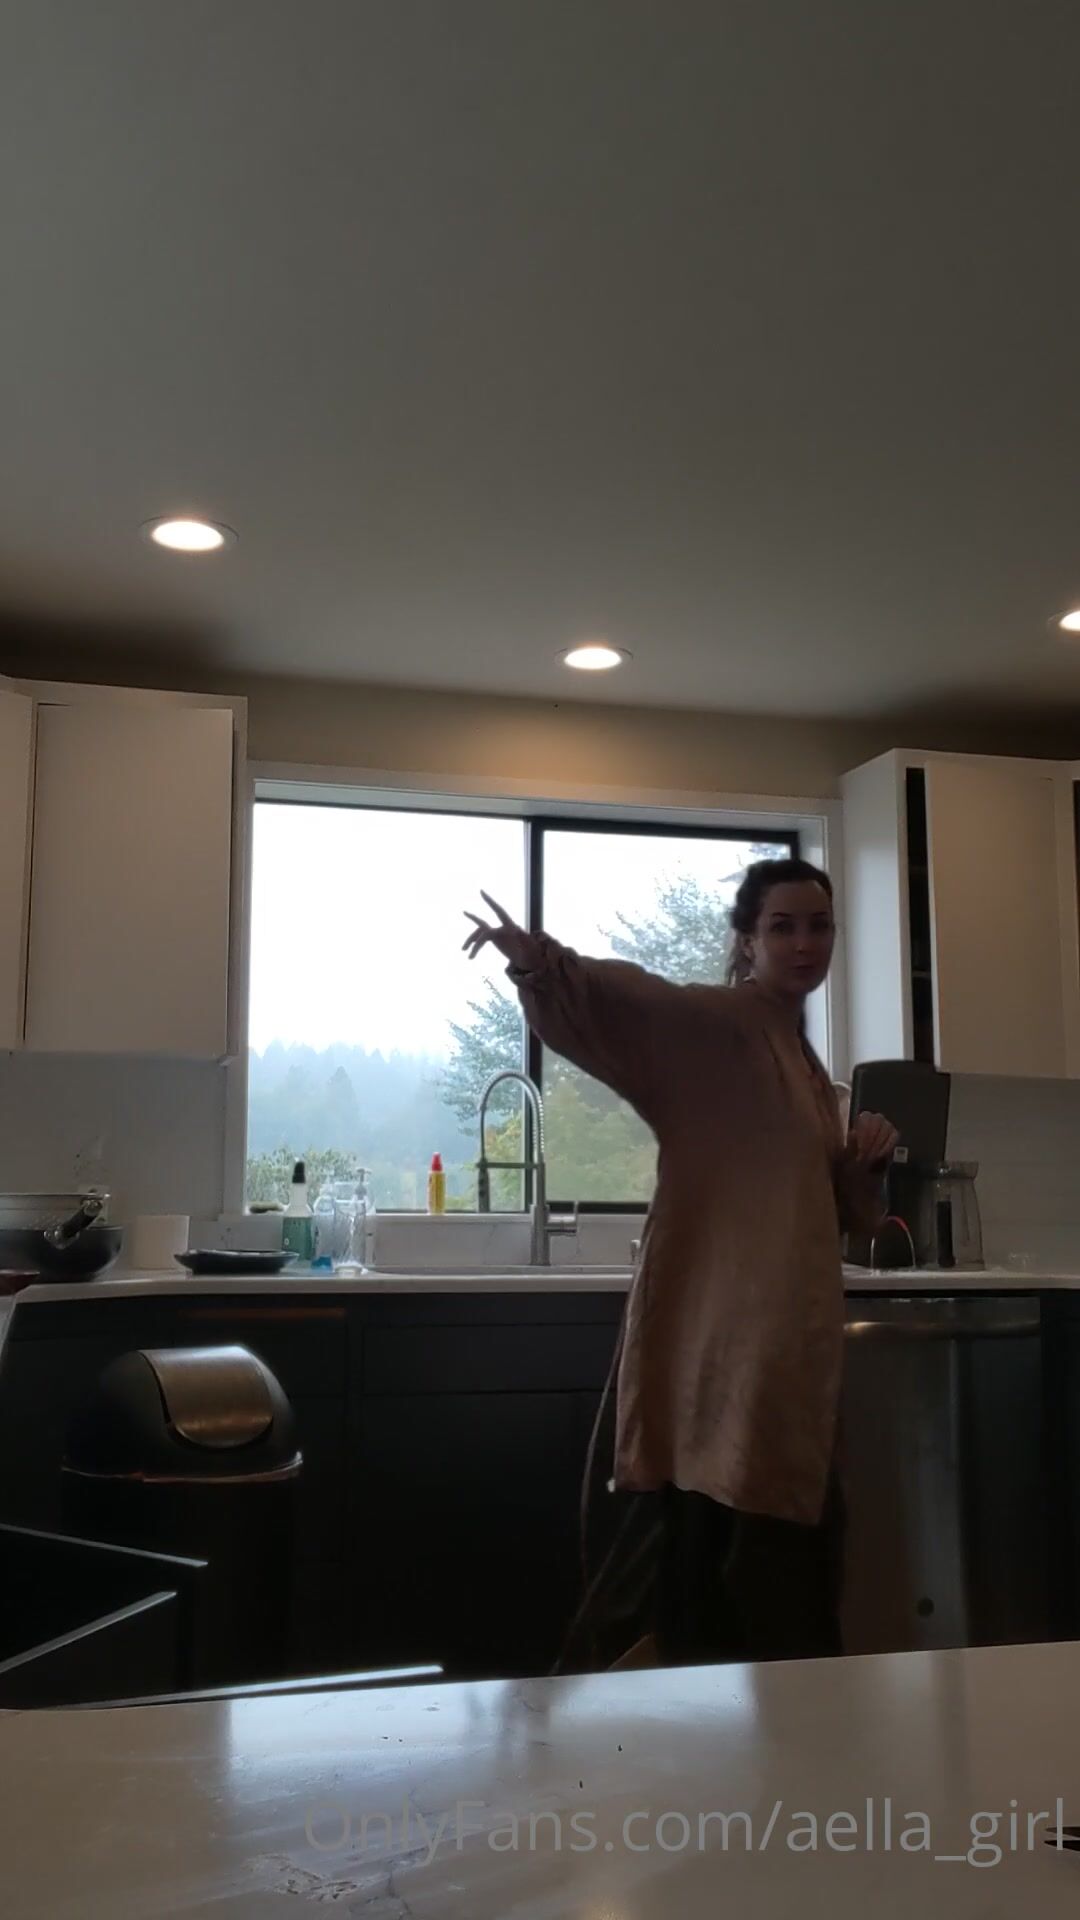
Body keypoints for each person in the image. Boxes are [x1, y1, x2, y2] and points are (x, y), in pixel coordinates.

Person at [463, 857, 898, 1666]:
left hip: (787, 1350)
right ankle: (762, 1735)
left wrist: (860, 1164)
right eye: (782, 927)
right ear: (746, 942)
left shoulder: (804, 1063)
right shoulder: (722, 1026)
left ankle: (759, 1731)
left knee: (751, 1568)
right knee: (754, 1576)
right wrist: (543, 965)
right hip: (729, 1349)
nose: (805, 943)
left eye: (819, 926)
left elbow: (838, 1219)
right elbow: (639, 1003)